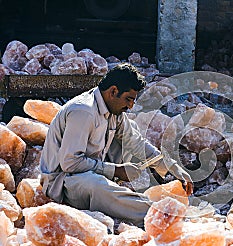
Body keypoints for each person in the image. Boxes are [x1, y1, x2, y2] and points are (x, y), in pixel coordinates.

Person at [40, 63, 193, 226]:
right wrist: (116, 170)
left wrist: (173, 168)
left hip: (88, 170)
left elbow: (136, 143)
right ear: (113, 91)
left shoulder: (113, 110)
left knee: (128, 137)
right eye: (128, 99)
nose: (130, 106)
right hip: (62, 182)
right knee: (96, 185)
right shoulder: (83, 111)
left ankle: (126, 200)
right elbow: (70, 163)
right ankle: (159, 215)